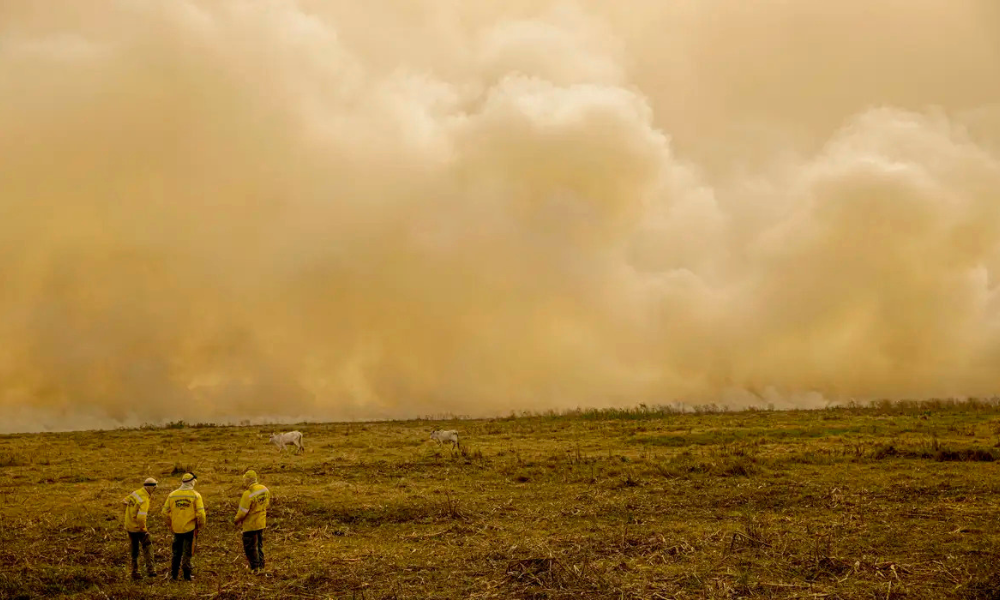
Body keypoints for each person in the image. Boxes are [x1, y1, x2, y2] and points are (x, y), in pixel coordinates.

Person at [160, 472, 206, 581]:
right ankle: (187, 575)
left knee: (176, 553)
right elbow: (201, 514)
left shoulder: (172, 495)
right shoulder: (196, 495)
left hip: (176, 529)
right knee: (188, 552)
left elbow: (164, 512)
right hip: (190, 529)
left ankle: (174, 575)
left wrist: (171, 524)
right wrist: (200, 525)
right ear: (192, 482)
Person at [233, 469, 270, 573]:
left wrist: (236, 520)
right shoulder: (265, 489)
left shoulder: (248, 494)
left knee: (250, 547)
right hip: (261, 523)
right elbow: (267, 504)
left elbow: (242, 512)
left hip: (250, 525)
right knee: (259, 546)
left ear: (247, 480)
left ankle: (255, 568)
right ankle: (261, 566)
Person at [122, 477, 158, 580]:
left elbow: (124, 501)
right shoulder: (144, 499)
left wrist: (130, 514)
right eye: (154, 488)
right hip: (138, 528)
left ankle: (135, 572)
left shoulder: (136, 493)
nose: (155, 490)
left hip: (129, 526)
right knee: (148, 547)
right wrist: (143, 529)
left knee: (134, 549)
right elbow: (141, 517)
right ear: (150, 487)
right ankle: (151, 570)